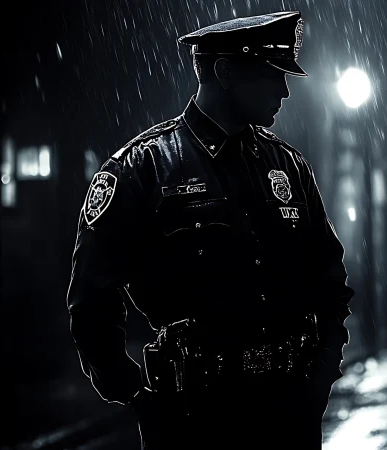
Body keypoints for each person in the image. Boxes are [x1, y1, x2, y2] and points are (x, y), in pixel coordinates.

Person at [65, 11, 355, 449]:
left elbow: (330, 280)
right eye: (271, 74)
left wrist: (320, 378)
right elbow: (91, 297)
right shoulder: (142, 168)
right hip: (192, 418)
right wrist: (135, 394)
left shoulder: (287, 166)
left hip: (289, 413)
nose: (284, 89)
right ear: (224, 73)